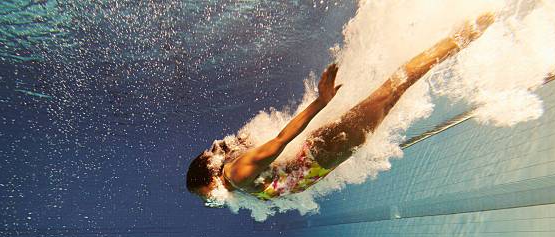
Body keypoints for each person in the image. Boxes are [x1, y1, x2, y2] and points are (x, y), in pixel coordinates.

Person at [186, 14, 494, 207]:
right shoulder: (239, 182)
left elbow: (280, 142)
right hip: (327, 151)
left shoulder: (235, 174)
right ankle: (459, 36)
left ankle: (465, 33)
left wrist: (322, 101)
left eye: (205, 196)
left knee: (395, 87)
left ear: (210, 179)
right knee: (393, 90)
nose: (210, 201)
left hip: (328, 148)